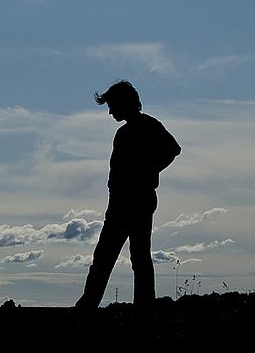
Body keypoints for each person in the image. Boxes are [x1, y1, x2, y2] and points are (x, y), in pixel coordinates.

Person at [74, 80, 181, 310]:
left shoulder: (149, 125)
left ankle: (143, 307)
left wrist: (152, 169)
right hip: (119, 202)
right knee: (104, 256)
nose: (111, 111)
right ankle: (89, 303)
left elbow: (173, 149)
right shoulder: (122, 133)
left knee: (138, 256)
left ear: (125, 103)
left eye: (113, 105)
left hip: (139, 200)